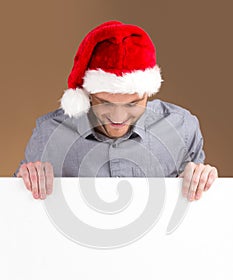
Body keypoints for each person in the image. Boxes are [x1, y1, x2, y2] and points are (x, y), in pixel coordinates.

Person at [14, 20, 218, 201]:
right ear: (87, 93)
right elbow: (15, 211)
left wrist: (202, 180)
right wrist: (24, 182)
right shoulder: (48, 133)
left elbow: (199, 217)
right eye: (105, 102)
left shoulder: (182, 128)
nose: (118, 118)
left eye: (133, 103)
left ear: (149, 92)